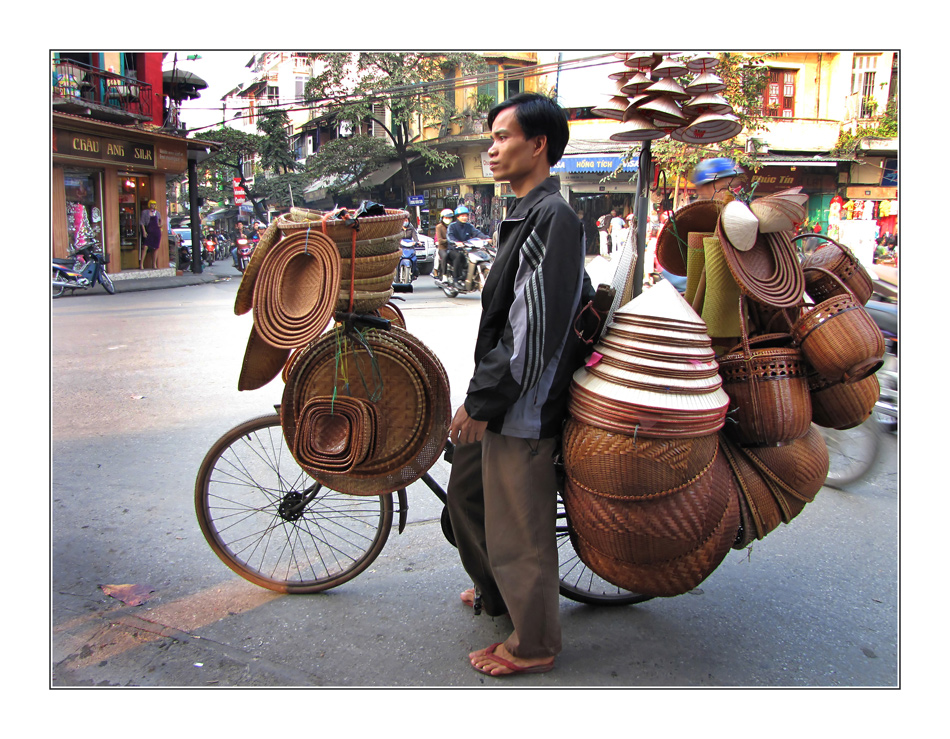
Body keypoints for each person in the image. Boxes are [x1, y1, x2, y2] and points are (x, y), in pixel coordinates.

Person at [447, 92, 593, 677]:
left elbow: (530, 332)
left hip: (523, 403)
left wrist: (483, 402)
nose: (492, 147)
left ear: (538, 146)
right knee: (467, 496)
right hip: (501, 393)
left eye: (503, 136)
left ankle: (534, 642)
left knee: (520, 529)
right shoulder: (522, 213)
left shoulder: (551, 217)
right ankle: (498, 592)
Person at [446, 204, 490, 284]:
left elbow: (477, 233)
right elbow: (450, 236)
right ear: (458, 217)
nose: (464, 218)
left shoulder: (469, 226)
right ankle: (456, 279)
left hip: (467, 248)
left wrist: (486, 238)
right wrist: (456, 242)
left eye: (466, 216)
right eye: (462, 216)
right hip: (454, 249)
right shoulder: (452, 226)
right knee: (458, 256)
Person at [139, 199, 162, 269]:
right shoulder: (145, 212)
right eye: (152, 204)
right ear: (149, 205)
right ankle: (141, 264)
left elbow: (160, 221)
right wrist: (144, 231)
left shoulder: (157, 213)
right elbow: (142, 223)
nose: (153, 206)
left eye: (154, 204)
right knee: (145, 247)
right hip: (149, 231)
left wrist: (160, 225)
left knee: (156, 247)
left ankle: (154, 264)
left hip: (156, 232)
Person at [434, 208, 454, 279]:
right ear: (442, 218)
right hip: (443, 248)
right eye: (446, 217)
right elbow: (440, 240)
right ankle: (443, 274)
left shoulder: (453, 226)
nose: (448, 219)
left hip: (453, 248)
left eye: (449, 217)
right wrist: (450, 240)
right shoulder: (439, 227)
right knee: (444, 256)